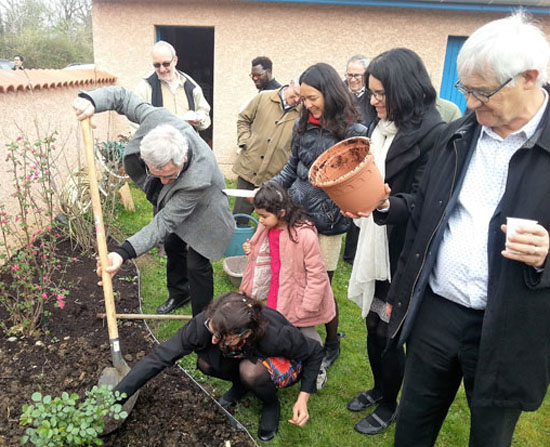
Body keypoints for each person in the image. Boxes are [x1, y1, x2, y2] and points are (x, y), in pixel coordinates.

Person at [373, 14, 550, 446]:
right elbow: (427, 211)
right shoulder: (456, 136)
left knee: (490, 437)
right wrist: (386, 205)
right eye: (465, 89)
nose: (470, 103)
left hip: (509, 325)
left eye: (482, 91)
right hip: (437, 311)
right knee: (412, 428)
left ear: (530, 78)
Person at [344, 48, 444, 435]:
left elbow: (424, 198)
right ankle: (378, 387)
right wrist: (356, 200)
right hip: (373, 238)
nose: (373, 100)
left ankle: (390, 404)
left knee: (388, 329)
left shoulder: (433, 133)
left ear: (405, 91)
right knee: (372, 322)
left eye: (381, 93)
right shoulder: (380, 125)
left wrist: (384, 204)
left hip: (400, 249)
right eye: (371, 92)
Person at [72, 86, 234, 316]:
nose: (165, 182)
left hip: (206, 209)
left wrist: (122, 252)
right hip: (178, 201)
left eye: (170, 176)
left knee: (197, 264)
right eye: (158, 175)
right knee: (172, 245)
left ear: (184, 157)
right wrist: (91, 100)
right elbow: (123, 96)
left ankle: (203, 322)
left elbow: (164, 221)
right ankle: (180, 293)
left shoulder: (198, 176)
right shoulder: (157, 118)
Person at [112, 292, 324, 442]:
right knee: (205, 362)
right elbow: (161, 356)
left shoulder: (275, 336)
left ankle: (270, 404)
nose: (212, 340)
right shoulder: (205, 324)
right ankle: (240, 386)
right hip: (240, 352)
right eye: (212, 330)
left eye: (221, 337)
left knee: (251, 372)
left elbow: (314, 352)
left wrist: (303, 398)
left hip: (278, 359)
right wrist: (117, 396)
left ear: (245, 334)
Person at [270, 62, 368, 370]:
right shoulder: (304, 125)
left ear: (330, 92)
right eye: (304, 98)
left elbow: (356, 182)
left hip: (328, 223)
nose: (308, 104)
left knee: (320, 285)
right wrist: (270, 190)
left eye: (313, 98)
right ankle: (296, 331)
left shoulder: (353, 131)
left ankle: (332, 342)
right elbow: (291, 167)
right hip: (297, 215)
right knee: (294, 278)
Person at [239, 183, 336, 388]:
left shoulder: (304, 235)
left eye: (264, 216)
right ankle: (282, 366)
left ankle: (316, 368)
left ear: (281, 212)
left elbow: (317, 275)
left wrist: (308, 306)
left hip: (299, 296)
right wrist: (251, 250)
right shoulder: (268, 227)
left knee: (306, 335)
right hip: (277, 291)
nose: (261, 220)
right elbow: (263, 252)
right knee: (278, 329)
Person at [232, 79, 302, 225]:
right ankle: (237, 245)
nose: (296, 100)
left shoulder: (302, 113)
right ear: (290, 84)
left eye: (300, 98)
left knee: (272, 221)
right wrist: (245, 141)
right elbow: (243, 118)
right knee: (239, 218)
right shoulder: (263, 97)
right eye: (295, 94)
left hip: (275, 176)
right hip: (249, 169)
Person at [342, 54, 376, 265]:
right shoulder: (341, 94)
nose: (353, 79)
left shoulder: (371, 98)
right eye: (349, 75)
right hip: (342, 154)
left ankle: (351, 253)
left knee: (357, 203)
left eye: (357, 76)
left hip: (363, 155)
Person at [133, 41, 211, 132]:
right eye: (157, 65)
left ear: (175, 60)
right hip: (157, 144)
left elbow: (205, 115)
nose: (162, 69)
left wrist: (199, 119)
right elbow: (135, 120)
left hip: (187, 144)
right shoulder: (145, 87)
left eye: (166, 64)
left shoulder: (191, 86)